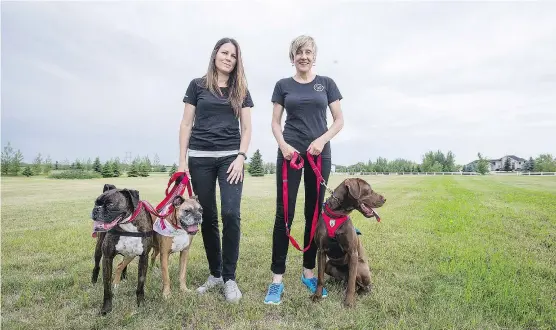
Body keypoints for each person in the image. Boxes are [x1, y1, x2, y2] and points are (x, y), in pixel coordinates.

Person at [264, 35, 345, 304]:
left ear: (314, 56)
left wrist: (321, 141)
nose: (303, 57)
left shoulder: (327, 84)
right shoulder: (283, 85)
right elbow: (275, 123)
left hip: (319, 154)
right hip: (290, 154)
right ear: (292, 57)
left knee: (313, 213)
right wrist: (284, 146)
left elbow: (339, 120)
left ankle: (308, 271)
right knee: (283, 215)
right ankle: (277, 279)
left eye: (308, 52)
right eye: (299, 52)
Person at [178, 37, 253, 303]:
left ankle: (230, 279)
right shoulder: (197, 86)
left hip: (231, 160)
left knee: (231, 214)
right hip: (199, 158)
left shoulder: (241, 89)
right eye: (224, 53)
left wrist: (241, 156)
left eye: (233, 55)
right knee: (207, 217)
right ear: (215, 55)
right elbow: (186, 124)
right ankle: (216, 274)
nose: (228, 58)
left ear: (237, 61)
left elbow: (247, 129)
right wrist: (182, 161)